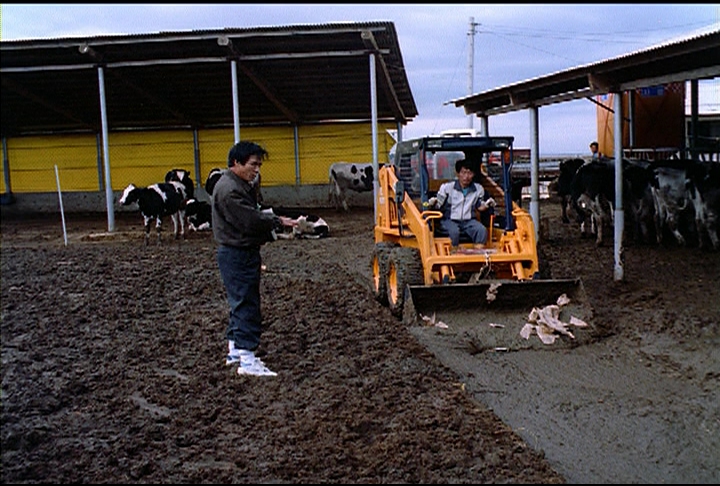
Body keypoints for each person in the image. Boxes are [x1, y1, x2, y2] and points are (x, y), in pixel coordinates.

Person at [212, 141, 294, 377]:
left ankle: (234, 351)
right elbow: (251, 221)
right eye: (253, 164)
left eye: (258, 165)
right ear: (236, 163)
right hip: (239, 252)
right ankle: (248, 360)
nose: (256, 169)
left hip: (235, 251)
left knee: (239, 301)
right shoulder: (231, 191)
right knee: (247, 303)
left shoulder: (233, 184)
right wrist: (277, 221)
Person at [427, 158, 496, 248]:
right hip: (450, 220)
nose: (466, 176)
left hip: (469, 221)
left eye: (469, 173)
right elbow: (438, 205)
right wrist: (433, 202)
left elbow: (479, 207)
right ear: (458, 173)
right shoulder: (447, 188)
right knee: (454, 232)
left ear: (473, 175)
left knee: (481, 230)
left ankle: (479, 255)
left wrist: (487, 204)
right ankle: (453, 254)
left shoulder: (478, 189)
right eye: (463, 172)